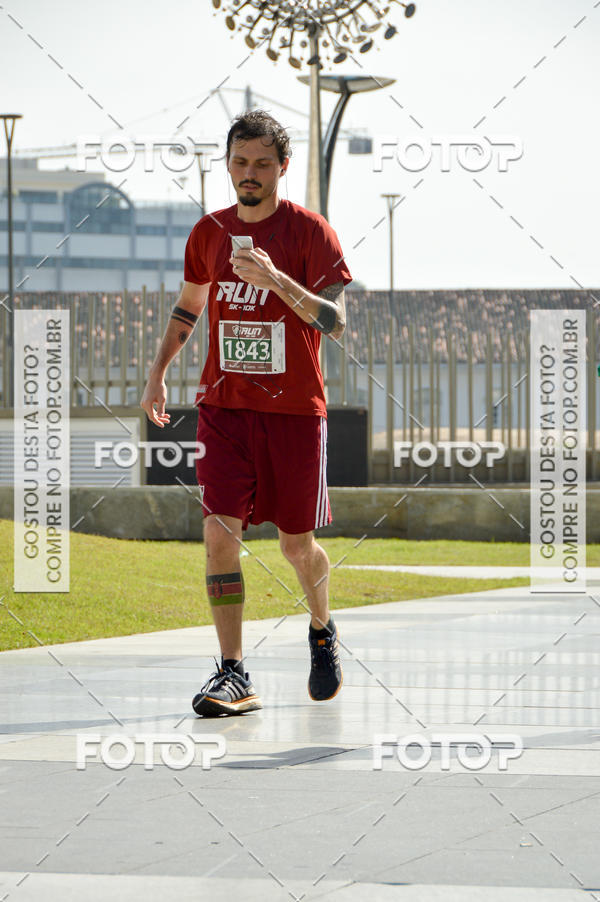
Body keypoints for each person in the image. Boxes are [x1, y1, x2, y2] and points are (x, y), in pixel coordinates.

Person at [141, 110, 352, 716]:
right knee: (217, 535)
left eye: (262, 163)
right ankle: (233, 672)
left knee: (295, 545)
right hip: (224, 410)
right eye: (239, 162)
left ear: (283, 167)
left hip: (294, 414)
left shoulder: (311, 233)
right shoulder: (208, 232)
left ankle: (321, 629)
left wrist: (276, 279)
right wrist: (158, 373)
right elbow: (188, 308)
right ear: (227, 165)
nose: (249, 173)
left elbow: (335, 323)